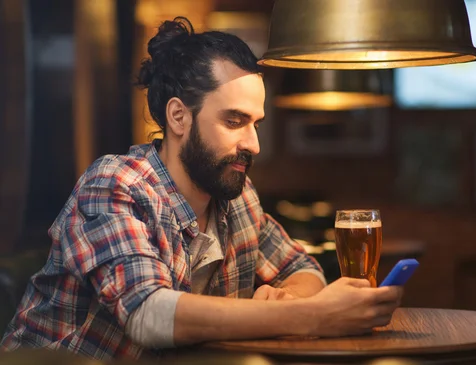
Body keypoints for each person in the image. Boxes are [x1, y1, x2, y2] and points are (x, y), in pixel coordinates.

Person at [0, 17, 404, 361]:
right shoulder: (116, 184)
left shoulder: (237, 196)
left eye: (256, 124)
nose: (254, 144)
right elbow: (147, 314)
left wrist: (290, 300)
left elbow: (303, 269)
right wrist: (313, 316)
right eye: (234, 121)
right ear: (179, 116)